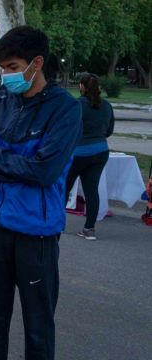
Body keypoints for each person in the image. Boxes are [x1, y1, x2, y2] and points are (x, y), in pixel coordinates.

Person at [0, 26, 81, 360]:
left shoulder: (65, 108)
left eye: (13, 67)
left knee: (38, 326)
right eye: (1, 68)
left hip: (36, 236)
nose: (5, 76)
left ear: (37, 63)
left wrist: (3, 159)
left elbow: (45, 172)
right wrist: (18, 163)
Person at [64, 73, 114, 241]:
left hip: (78, 152)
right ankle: (89, 229)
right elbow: (109, 131)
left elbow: (68, 128)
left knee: (64, 187)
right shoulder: (107, 105)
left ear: (82, 86)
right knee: (91, 190)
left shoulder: (77, 105)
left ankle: (57, 223)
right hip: (100, 151)